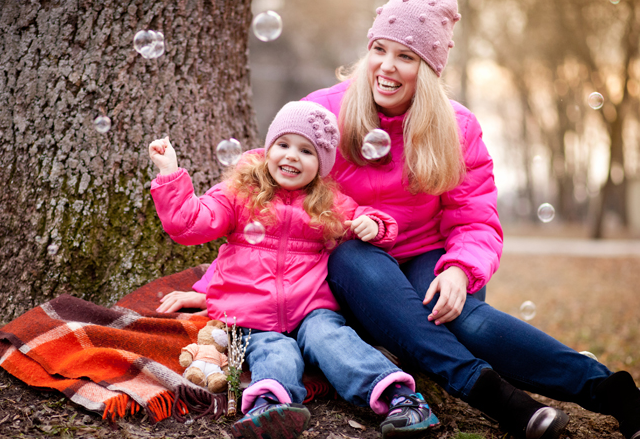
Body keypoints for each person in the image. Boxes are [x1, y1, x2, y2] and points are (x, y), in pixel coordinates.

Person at [159, 0, 640, 439]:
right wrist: (209, 284)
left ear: (428, 68)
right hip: (358, 271)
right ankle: (496, 398)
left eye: (405, 56)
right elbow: (278, 216)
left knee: (467, 320)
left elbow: (475, 218)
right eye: (379, 49)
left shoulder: (457, 128)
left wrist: (459, 269)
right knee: (352, 256)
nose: (386, 66)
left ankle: (614, 393)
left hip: (427, 255)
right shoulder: (326, 113)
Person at [148, 101, 442, 439]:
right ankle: (271, 406)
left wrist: (374, 225)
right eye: (283, 145)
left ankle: (399, 397)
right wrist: (169, 173)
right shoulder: (239, 194)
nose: (291, 156)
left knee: (331, 338)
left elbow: (370, 219)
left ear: (321, 165)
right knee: (273, 350)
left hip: (311, 311)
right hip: (253, 317)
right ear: (269, 147)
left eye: (306, 151)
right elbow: (190, 225)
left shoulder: (328, 204)